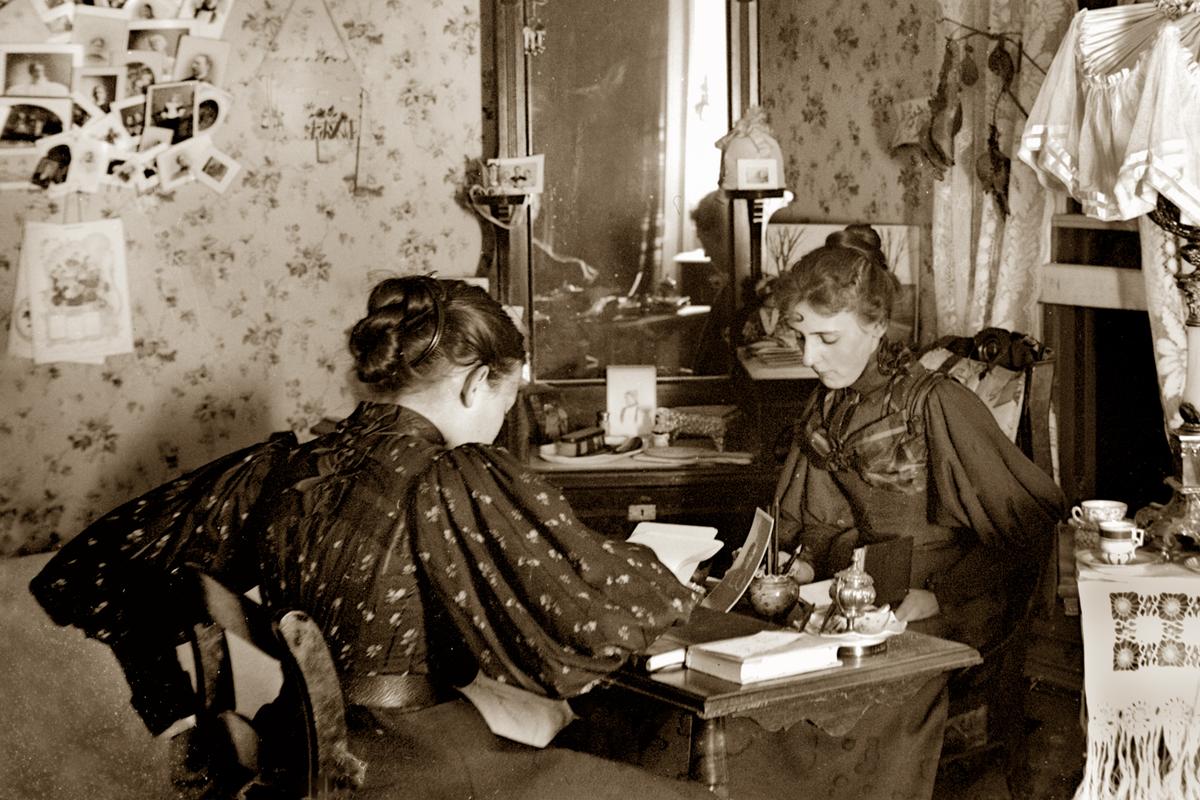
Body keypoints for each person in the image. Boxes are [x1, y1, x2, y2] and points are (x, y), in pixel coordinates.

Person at [29, 276, 709, 800]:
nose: (507, 416)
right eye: (509, 397)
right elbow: (593, 615)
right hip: (415, 770)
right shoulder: (451, 473)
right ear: (477, 384)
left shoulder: (287, 464)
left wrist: (179, 717)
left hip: (294, 750)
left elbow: (98, 565)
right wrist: (666, 580)